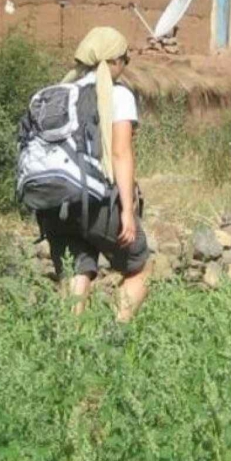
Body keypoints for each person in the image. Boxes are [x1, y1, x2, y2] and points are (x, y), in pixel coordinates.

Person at [35, 27, 151, 322]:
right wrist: (127, 210)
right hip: (96, 202)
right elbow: (120, 153)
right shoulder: (118, 94)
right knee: (139, 267)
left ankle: (72, 351)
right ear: (113, 61)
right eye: (125, 59)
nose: (125, 66)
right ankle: (113, 338)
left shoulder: (59, 93)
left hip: (55, 203)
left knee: (77, 270)